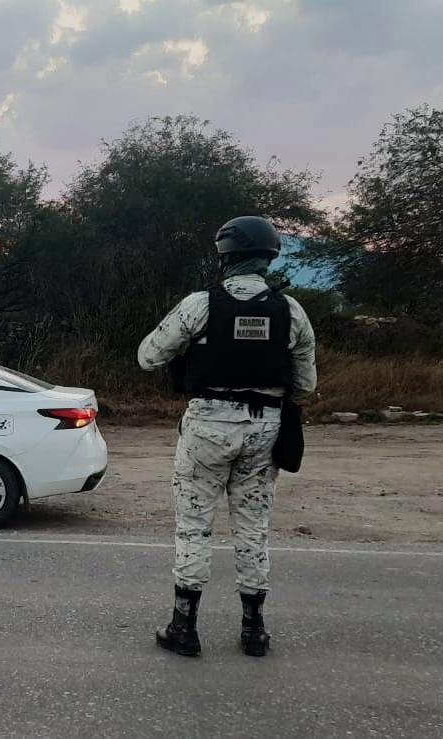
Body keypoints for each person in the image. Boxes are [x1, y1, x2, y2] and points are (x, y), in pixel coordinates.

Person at [138, 216, 317, 658]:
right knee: (253, 528)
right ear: (269, 257)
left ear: (226, 256)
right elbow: (306, 385)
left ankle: (185, 627)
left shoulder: (201, 304)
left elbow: (148, 356)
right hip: (265, 428)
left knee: (194, 526)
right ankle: (253, 630)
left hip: (207, 426)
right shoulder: (290, 310)